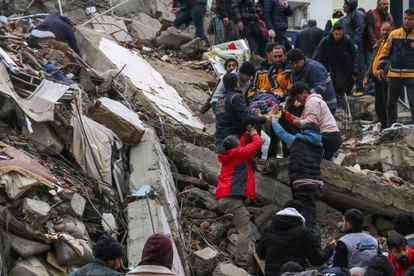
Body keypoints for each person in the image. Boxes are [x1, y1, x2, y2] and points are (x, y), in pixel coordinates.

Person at [271, 105, 323, 238]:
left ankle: (312, 245)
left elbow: (281, 134)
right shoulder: (319, 145)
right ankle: (305, 240)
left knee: (308, 218)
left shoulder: (299, 140)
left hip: (302, 183)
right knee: (309, 213)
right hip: (315, 184)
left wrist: (274, 120)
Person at [215, 127, 262, 269]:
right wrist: (254, 133)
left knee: (241, 224)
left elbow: (240, 145)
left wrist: (246, 133)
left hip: (224, 197)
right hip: (232, 198)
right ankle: (241, 262)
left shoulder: (229, 155)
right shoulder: (239, 154)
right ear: (236, 147)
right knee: (245, 229)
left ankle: (236, 253)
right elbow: (256, 145)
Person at [256, 200, 336, 276]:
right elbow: (317, 260)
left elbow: (261, 254)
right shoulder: (304, 233)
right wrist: (329, 249)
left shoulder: (268, 231)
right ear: (300, 214)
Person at [282, 81, 341, 159]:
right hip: (328, 136)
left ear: (305, 93)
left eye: (298, 98)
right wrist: (292, 117)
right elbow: (304, 119)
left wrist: (293, 121)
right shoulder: (309, 102)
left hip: (329, 137)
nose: (298, 101)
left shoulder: (312, 101)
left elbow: (310, 123)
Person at [377, 8, 414, 128]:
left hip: (412, 75)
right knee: (390, 103)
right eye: (405, 18)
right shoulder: (394, 34)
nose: (407, 21)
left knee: (413, 102)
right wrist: (380, 67)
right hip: (394, 74)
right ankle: (391, 127)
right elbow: (386, 52)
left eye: (410, 19)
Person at [215, 72, 270, 151]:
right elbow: (245, 118)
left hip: (220, 140)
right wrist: (264, 118)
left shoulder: (219, 99)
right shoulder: (236, 97)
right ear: (237, 84)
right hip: (233, 141)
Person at [313, 22, 358, 107]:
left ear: (343, 32)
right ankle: (338, 104)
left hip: (346, 66)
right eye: (336, 34)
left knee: (345, 87)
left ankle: (343, 104)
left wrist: (355, 71)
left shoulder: (347, 40)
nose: (338, 36)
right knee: (336, 86)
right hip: (331, 66)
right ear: (332, 32)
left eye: (340, 34)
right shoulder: (326, 41)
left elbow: (355, 55)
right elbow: (317, 55)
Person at [286, 48, 337, 114]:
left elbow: (321, 88)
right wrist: (289, 98)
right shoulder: (295, 69)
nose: (295, 66)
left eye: (297, 62)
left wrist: (303, 97)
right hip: (309, 102)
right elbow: (295, 88)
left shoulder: (315, 68)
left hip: (327, 103)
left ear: (303, 58)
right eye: (292, 64)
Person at [363, 21, 393, 129]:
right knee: (378, 104)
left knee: (387, 103)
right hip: (377, 78)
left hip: (386, 77)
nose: (385, 32)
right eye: (383, 30)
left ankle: (389, 126)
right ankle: (383, 125)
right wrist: (367, 76)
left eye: (387, 30)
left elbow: (390, 60)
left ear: (392, 30)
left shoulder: (392, 43)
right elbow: (373, 61)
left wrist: (384, 71)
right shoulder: (379, 43)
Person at [340, 0, 366, 97]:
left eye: (345, 4)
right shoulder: (347, 17)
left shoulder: (356, 15)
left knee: (357, 67)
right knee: (349, 67)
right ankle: (348, 88)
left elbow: (359, 29)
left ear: (351, 5)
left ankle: (360, 88)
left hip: (355, 46)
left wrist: (355, 43)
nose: (343, 6)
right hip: (347, 46)